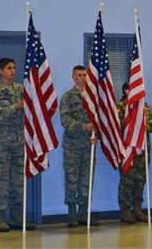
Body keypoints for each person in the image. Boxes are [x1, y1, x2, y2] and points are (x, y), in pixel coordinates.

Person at [0, 58, 35, 232]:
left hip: (19, 142)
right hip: (1, 143)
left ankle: (16, 217)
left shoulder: (21, 90)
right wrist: (17, 106)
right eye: (9, 68)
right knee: (1, 181)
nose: (13, 71)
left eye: (14, 68)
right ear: (1, 71)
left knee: (18, 182)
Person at [59, 65, 99, 227]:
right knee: (72, 180)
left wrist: (96, 135)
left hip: (89, 146)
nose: (83, 78)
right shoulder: (68, 97)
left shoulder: (93, 97)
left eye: (84, 75)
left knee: (86, 181)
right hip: (72, 146)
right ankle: (72, 215)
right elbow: (65, 121)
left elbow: (99, 121)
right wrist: (84, 127)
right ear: (73, 77)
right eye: (79, 75)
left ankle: (84, 214)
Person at [116, 82, 152, 223]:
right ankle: (125, 211)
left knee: (140, 180)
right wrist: (135, 120)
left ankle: (138, 209)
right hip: (127, 150)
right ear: (126, 90)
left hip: (143, 149)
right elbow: (118, 125)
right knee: (127, 180)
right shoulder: (120, 107)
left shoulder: (143, 106)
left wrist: (146, 125)